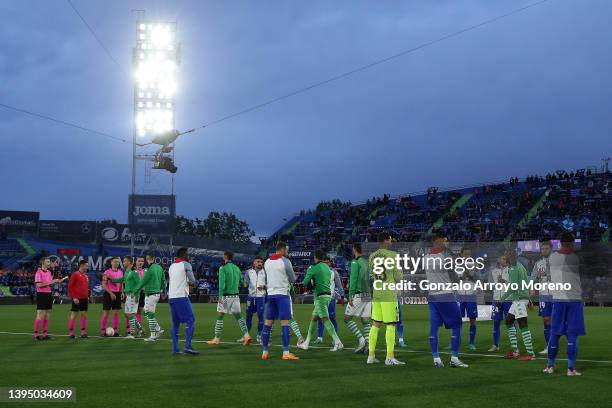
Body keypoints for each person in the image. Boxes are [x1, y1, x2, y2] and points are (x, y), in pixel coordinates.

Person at [424, 231, 468, 368]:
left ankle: (436, 359)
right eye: (445, 240)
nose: (447, 243)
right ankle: (454, 358)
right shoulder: (445, 257)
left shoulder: (425, 257)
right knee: (457, 325)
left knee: (434, 327)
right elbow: (454, 277)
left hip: (432, 296)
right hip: (445, 295)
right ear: (439, 240)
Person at [544, 232, 585, 376]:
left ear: (560, 243)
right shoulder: (576, 257)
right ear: (572, 243)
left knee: (555, 334)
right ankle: (570, 369)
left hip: (558, 300)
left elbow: (549, 277)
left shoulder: (552, 257)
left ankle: (550, 366)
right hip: (574, 300)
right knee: (572, 334)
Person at [367, 231, 405, 366]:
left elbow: (371, 276)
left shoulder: (372, 256)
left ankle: (371, 356)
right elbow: (398, 276)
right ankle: (389, 357)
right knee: (391, 325)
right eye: (390, 240)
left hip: (377, 293)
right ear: (385, 240)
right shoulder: (392, 255)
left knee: (376, 324)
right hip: (388, 294)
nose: (391, 242)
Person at [297, 250, 343, 351]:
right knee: (314, 319)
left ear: (315, 258)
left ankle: (338, 342)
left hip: (319, 297)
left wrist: (310, 280)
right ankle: (306, 343)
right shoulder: (327, 268)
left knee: (325, 319)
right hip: (328, 296)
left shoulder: (313, 268)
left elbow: (304, 283)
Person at [260, 242, 299, 360]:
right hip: (282, 295)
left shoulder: (266, 262)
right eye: (286, 250)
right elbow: (293, 279)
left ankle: (265, 352)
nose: (287, 252)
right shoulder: (285, 261)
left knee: (268, 323)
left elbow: (266, 278)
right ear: (282, 250)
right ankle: (285, 352)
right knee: (285, 323)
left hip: (271, 295)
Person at [207, 251, 251, 346]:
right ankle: (247, 335)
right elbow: (241, 283)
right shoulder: (237, 268)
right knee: (239, 317)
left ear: (225, 257)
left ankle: (216, 338)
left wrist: (220, 296)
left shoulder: (223, 268)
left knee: (220, 316)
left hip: (226, 296)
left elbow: (221, 284)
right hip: (235, 296)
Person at [501, 249, 536, 361]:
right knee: (509, 321)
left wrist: (501, 299)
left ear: (513, 257)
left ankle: (531, 354)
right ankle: (515, 351)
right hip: (519, 299)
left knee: (523, 324)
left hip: (520, 300)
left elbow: (512, 287)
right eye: (507, 256)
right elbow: (525, 283)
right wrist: (529, 299)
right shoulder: (520, 266)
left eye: (509, 256)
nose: (508, 258)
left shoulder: (513, 268)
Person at [168, 247, 199, 355]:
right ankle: (188, 346)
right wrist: (193, 283)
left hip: (171, 297)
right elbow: (193, 280)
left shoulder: (171, 266)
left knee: (175, 323)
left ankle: (175, 349)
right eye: (187, 254)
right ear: (183, 255)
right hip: (181, 296)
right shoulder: (186, 264)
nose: (188, 256)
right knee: (190, 320)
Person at [344, 243, 372, 354]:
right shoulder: (366, 262)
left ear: (354, 250)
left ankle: (361, 340)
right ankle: (369, 344)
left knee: (347, 318)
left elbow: (353, 279)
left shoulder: (355, 262)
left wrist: (350, 295)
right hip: (368, 294)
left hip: (359, 294)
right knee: (365, 320)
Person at [134, 253, 166, 341]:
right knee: (145, 312)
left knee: (150, 315)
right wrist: (164, 291)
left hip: (150, 294)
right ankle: (158, 329)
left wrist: (136, 291)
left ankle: (153, 335)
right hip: (157, 294)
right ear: (154, 258)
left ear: (147, 259)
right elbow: (163, 280)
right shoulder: (159, 268)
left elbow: (142, 282)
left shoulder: (149, 269)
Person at [313, 255, 344, 344]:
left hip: (331, 299)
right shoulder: (319, 272)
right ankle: (319, 337)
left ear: (330, 263)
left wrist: (342, 297)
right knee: (320, 317)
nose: (326, 264)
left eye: (327, 262)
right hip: (321, 299)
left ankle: (335, 338)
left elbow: (339, 286)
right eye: (324, 262)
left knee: (332, 317)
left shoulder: (334, 273)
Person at [33, 257, 67, 340]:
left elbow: (49, 283)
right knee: (40, 314)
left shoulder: (49, 272)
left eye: (49, 262)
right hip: (41, 294)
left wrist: (58, 281)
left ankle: (45, 334)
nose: (49, 263)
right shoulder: (38, 272)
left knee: (47, 315)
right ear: (43, 263)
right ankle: (36, 335)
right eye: (47, 262)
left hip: (48, 294)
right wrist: (53, 281)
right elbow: (39, 285)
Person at [530, 240, 553, 355]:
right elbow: (532, 278)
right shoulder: (538, 263)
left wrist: (547, 274)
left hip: (557, 295)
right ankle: (549, 345)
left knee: (559, 320)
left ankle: (564, 343)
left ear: (551, 249)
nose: (544, 251)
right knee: (546, 320)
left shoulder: (557, 262)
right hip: (544, 295)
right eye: (542, 249)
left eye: (546, 249)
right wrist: (531, 287)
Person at [488, 253, 511, 352]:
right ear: (498, 259)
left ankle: (514, 345)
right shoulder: (493, 272)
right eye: (502, 258)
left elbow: (515, 284)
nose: (504, 260)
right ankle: (495, 345)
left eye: (505, 259)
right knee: (496, 322)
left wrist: (504, 282)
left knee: (510, 323)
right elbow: (489, 285)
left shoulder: (511, 271)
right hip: (496, 299)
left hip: (508, 299)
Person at [456, 247, 478, 351]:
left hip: (471, 294)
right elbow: (456, 278)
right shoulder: (457, 264)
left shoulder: (474, 264)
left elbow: (477, 277)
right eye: (465, 254)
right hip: (460, 295)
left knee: (472, 320)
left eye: (469, 254)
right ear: (461, 254)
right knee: (457, 321)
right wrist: (462, 275)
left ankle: (471, 343)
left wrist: (468, 273)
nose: (467, 256)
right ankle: (455, 342)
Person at [244, 256, 266, 342]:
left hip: (261, 297)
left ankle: (259, 335)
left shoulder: (265, 272)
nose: (260, 263)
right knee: (248, 316)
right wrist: (244, 283)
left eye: (261, 262)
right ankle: (246, 335)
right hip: (251, 297)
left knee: (261, 317)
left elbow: (268, 284)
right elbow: (245, 283)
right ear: (254, 262)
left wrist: (261, 288)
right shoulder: (248, 272)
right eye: (258, 262)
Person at [121, 256, 143, 339]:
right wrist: (110, 278)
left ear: (130, 262)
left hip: (133, 296)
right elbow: (121, 280)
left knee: (131, 314)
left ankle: (132, 334)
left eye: (125, 261)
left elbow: (139, 284)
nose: (123, 262)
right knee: (127, 314)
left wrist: (137, 295)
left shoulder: (134, 272)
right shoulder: (126, 272)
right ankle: (140, 329)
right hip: (128, 296)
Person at [101, 257, 123, 337]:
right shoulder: (107, 272)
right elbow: (103, 284)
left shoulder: (121, 272)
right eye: (115, 261)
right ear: (111, 262)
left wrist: (122, 292)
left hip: (117, 294)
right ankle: (103, 331)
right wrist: (110, 293)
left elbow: (121, 283)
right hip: (108, 294)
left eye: (118, 262)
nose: (116, 263)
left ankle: (115, 331)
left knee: (116, 313)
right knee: (106, 313)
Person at [67, 260, 89, 339]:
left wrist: (87, 295)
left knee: (84, 315)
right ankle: (71, 332)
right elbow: (70, 287)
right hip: (77, 298)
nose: (87, 267)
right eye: (86, 265)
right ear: (82, 265)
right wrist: (74, 297)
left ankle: (83, 332)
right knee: (74, 314)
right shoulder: (75, 274)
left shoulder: (86, 275)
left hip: (84, 298)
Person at [135, 256, 146, 335]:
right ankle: (130, 330)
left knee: (139, 311)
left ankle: (139, 329)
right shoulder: (133, 271)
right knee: (132, 313)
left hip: (142, 293)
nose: (140, 262)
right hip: (134, 293)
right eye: (139, 261)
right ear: (136, 261)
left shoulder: (145, 271)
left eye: (142, 261)